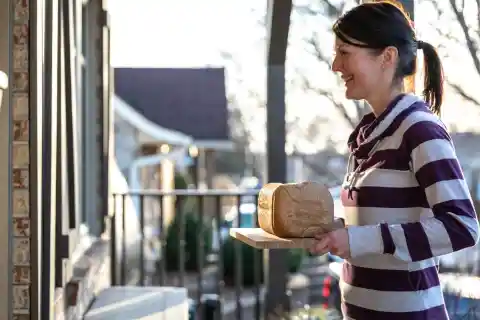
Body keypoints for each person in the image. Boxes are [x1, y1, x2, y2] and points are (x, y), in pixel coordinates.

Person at [309, 1, 479, 319]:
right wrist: (337, 233)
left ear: (387, 57)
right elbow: (378, 227)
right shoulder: (368, 136)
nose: (335, 65)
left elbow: (462, 226)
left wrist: (359, 239)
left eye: (345, 52)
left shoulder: (419, 129)